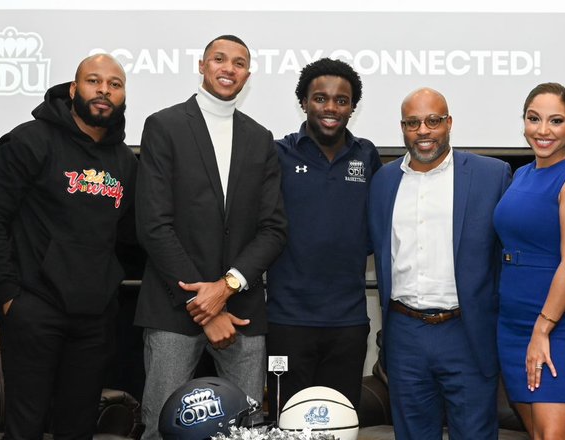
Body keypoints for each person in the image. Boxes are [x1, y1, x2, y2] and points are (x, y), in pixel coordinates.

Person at [0, 54, 136, 439]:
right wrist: (10, 292)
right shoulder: (31, 140)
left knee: (77, 429)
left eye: (114, 84)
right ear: (74, 90)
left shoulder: (126, 161)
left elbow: (127, 236)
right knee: (25, 426)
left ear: (123, 96)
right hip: (34, 308)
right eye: (94, 81)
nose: (104, 91)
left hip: (94, 319)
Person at [134, 35, 287, 440]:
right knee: (161, 429)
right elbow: (153, 224)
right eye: (219, 59)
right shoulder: (163, 125)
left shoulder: (260, 138)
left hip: (242, 312)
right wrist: (205, 306)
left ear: (247, 76)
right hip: (173, 309)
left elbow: (273, 229)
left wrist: (227, 286)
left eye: (239, 63)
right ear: (202, 65)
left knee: (246, 431)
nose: (228, 68)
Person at [368, 87, 511, 440]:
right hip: (405, 333)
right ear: (402, 128)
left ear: (448, 123)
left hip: (466, 331)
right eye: (413, 123)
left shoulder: (490, 175)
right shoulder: (384, 181)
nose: (424, 131)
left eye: (433, 121)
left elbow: (514, 246)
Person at [266, 58, 382, 419]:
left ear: (352, 107)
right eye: (320, 98)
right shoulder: (278, 153)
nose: (331, 108)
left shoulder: (366, 154)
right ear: (303, 101)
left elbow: (373, 228)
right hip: (287, 320)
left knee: (340, 421)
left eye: (341, 100)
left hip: (347, 322)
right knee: (286, 418)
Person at [494, 82, 565, 439]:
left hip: (556, 326)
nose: (543, 130)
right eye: (533, 119)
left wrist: (542, 329)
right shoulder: (520, 175)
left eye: (555, 121)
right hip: (511, 325)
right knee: (537, 434)